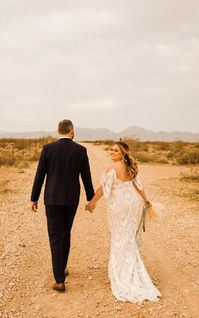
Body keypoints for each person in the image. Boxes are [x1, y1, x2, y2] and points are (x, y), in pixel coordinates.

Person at [86, 141, 161, 303]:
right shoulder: (130, 167)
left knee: (120, 237)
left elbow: (102, 189)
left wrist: (92, 203)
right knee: (127, 237)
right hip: (133, 204)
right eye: (111, 149)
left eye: (115, 150)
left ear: (123, 153)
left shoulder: (112, 168)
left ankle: (122, 272)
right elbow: (138, 186)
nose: (111, 152)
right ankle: (131, 267)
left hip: (119, 206)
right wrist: (146, 200)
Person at [31, 120, 94, 292]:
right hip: (71, 199)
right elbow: (86, 177)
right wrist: (91, 199)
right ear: (72, 131)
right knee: (66, 233)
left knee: (55, 236)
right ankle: (62, 268)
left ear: (58, 131)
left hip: (52, 199)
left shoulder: (48, 149)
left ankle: (59, 278)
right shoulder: (80, 151)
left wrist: (34, 198)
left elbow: (39, 176)